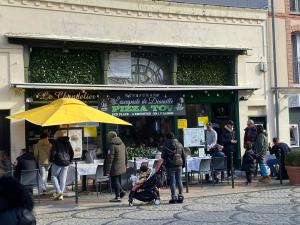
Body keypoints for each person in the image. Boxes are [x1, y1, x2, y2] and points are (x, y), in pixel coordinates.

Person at [162, 132, 186, 204]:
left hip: (170, 165)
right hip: (179, 164)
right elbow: (183, 155)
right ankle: (181, 196)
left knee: (172, 181)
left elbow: (163, 156)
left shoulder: (166, 144)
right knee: (179, 180)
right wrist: (183, 164)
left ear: (167, 138)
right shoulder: (179, 144)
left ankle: (174, 197)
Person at [50, 130, 74, 200]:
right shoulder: (68, 142)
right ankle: (61, 195)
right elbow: (72, 152)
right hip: (66, 162)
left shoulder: (56, 142)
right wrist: (70, 160)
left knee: (53, 176)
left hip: (58, 161)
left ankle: (59, 191)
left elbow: (53, 152)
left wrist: (51, 160)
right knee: (63, 178)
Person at [105, 131, 127, 202]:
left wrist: (107, 170)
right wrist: (126, 164)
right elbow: (126, 154)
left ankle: (117, 197)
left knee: (115, 181)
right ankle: (121, 192)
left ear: (110, 137)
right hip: (121, 165)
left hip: (115, 166)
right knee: (117, 181)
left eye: (108, 137)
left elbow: (110, 159)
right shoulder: (122, 143)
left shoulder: (112, 145)